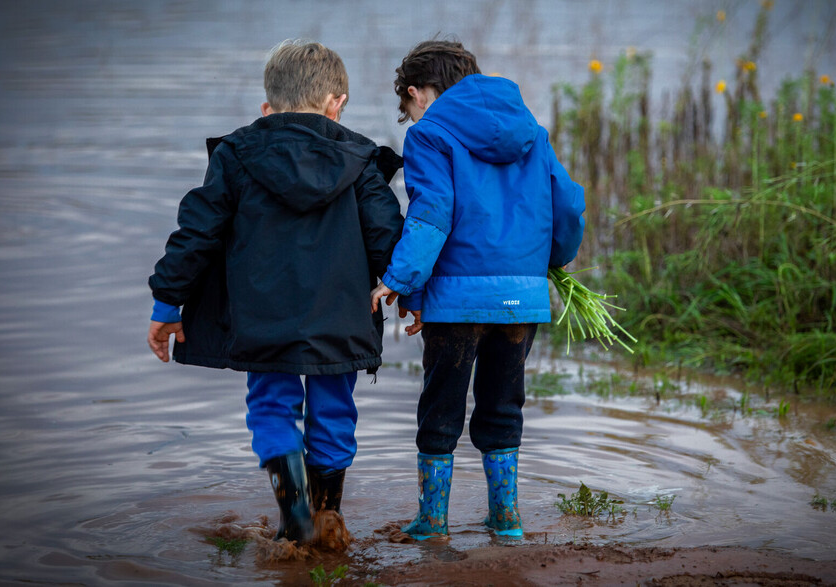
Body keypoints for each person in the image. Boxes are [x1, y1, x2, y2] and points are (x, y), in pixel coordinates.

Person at [147, 40, 404, 544]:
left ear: (267, 108)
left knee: (270, 408)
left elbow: (197, 232)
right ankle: (328, 521)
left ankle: (295, 521)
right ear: (337, 103)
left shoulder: (237, 155)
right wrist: (411, 294)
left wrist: (166, 301)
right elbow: (388, 238)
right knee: (334, 413)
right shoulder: (361, 159)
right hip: (341, 317)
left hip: (262, 317)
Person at [370, 39, 585, 540]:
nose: (411, 117)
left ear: (416, 92)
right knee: (504, 403)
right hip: (523, 300)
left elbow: (430, 216)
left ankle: (432, 522)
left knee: (442, 405)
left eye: (408, 108)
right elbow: (569, 206)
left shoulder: (429, 134)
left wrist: (398, 283)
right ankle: (507, 519)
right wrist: (549, 263)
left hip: (458, 303)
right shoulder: (533, 133)